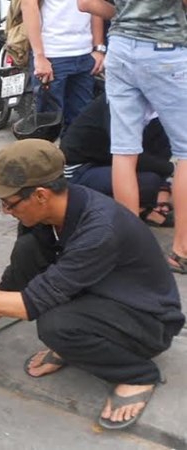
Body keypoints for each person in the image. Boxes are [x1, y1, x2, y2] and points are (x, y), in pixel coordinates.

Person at [0, 139, 184, 430]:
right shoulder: (43, 218)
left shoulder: (99, 229)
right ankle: (79, 344)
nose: (4, 211)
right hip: (104, 296)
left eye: (9, 203)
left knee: (55, 326)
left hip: (148, 321)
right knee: (28, 252)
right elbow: (15, 285)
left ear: (42, 196)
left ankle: (136, 375)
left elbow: (29, 304)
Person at [75, 1, 187, 275]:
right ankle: (182, 251)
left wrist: (128, 16)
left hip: (121, 48)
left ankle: (132, 248)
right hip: (166, 49)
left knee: (124, 151)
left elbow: (85, 3)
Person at [60, 94, 174, 227]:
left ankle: (150, 202)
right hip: (79, 169)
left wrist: (164, 187)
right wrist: (172, 169)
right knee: (148, 181)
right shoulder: (118, 102)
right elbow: (127, 154)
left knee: (161, 146)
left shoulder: (156, 107)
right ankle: (135, 214)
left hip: (106, 162)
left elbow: (161, 151)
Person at [20, 0, 105, 133]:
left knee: (80, 126)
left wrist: (98, 47)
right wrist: (40, 56)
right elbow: (28, 6)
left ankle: (69, 154)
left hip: (85, 54)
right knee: (47, 127)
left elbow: (96, 5)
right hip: (52, 55)